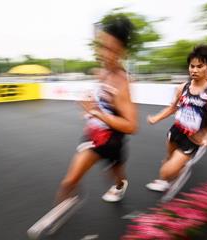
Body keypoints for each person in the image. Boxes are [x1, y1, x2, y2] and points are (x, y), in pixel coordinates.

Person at [55, 15, 138, 203]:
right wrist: (92, 104)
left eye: (109, 48)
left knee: (115, 173)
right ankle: (66, 201)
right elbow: (103, 101)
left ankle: (120, 184)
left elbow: (132, 126)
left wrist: (97, 113)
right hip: (94, 134)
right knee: (70, 180)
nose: (102, 53)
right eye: (101, 45)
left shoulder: (123, 83)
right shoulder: (103, 72)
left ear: (122, 52)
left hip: (111, 139)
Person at [146, 45, 207, 192]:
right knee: (168, 159)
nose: (194, 70)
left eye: (199, 66)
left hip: (192, 138)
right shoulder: (182, 87)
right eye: (192, 66)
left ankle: (176, 171)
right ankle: (170, 175)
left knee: (166, 172)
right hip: (176, 131)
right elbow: (173, 107)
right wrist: (156, 118)